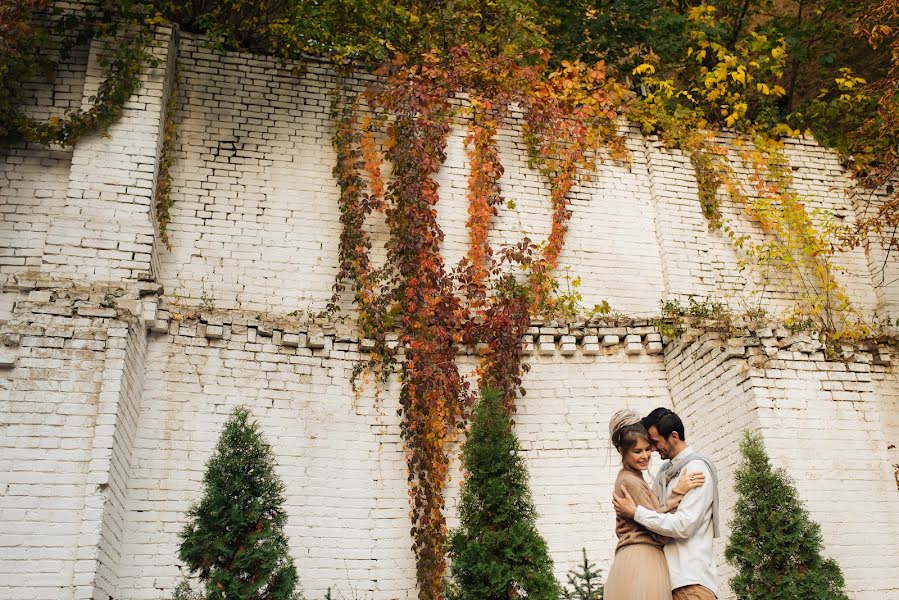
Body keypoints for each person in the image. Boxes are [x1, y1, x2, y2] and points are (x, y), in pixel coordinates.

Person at [613, 408, 720, 600]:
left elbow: (683, 525)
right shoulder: (665, 472)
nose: (652, 451)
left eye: (653, 443)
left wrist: (636, 513)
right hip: (668, 578)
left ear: (674, 436)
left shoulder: (695, 469)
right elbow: (655, 512)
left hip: (690, 577)